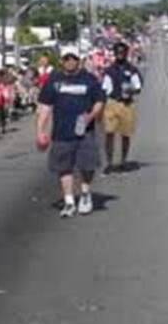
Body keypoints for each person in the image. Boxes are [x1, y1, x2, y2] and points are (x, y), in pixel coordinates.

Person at [36, 51, 107, 217]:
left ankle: (85, 194)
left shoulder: (89, 79)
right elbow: (44, 107)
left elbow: (99, 101)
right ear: (62, 61)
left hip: (84, 132)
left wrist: (90, 116)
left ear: (78, 60)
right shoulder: (54, 81)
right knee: (64, 167)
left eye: (73, 58)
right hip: (61, 132)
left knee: (87, 166)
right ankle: (68, 201)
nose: (69, 62)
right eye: (66, 59)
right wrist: (40, 131)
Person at [102, 41, 144, 173]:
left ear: (126, 53)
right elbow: (105, 88)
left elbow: (138, 86)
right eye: (117, 52)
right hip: (112, 102)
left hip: (127, 104)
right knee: (109, 133)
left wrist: (130, 90)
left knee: (126, 134)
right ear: (114, 54)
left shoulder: (131, 70)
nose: (120, 55)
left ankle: (123, 160)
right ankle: (109, 162)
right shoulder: (109, 70)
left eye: (122, 52)